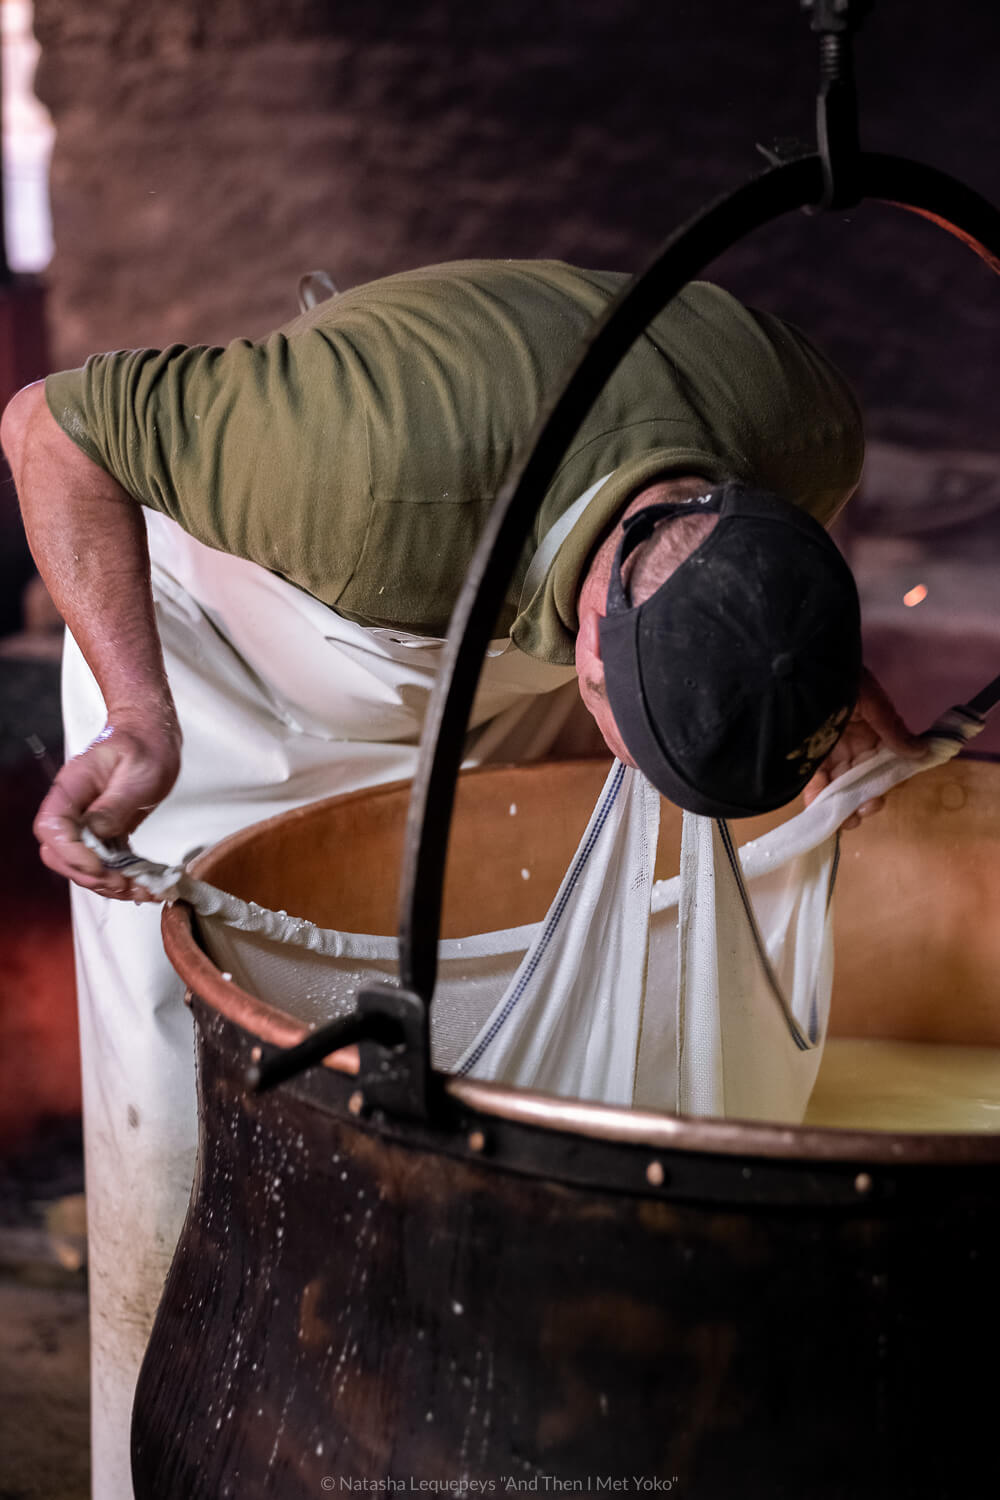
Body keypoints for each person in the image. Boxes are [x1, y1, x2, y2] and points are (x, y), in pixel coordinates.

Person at [1, 257, 922, 1498]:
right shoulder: (345, 466)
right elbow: (46, 426)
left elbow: (754, 599)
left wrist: (805, 684)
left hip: (473, 660)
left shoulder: (808, 423)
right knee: (197, 1115)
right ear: (593, 659)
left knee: (508, 1033)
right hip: (233, 689)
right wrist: (137, 713)